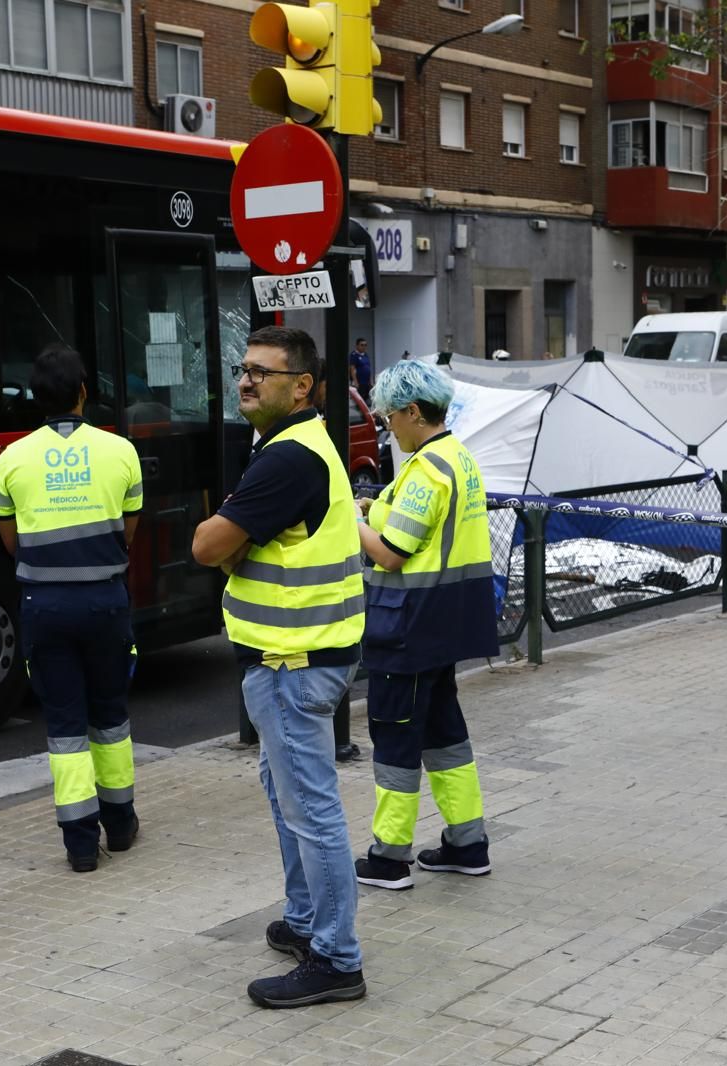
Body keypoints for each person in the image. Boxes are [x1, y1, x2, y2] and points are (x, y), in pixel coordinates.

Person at [191, 325, 367, 1009]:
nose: (245, 381)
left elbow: (209, 545)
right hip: (296, 658)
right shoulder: (292, 446)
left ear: (302, 387)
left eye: (261, 372)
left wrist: (229, 541)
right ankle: (304, 922)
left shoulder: (288, 458)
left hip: (293, 664)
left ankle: (336, 959)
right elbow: (233, 544)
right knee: (290, 798)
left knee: (311, 813)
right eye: (243, 368)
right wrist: (236, 542)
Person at [0, 345, 143, 872]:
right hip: (105, 602)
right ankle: (121, 826)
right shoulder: (120, 451)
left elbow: (11, 541)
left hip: (44, 605)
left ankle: (80, 845)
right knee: (111, 717)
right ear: (84, 391)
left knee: (64, 726)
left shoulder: (10, 459)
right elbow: (129, 532)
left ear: (35, 397)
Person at [352, 360, 499, 892]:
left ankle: (389, 857)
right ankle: (467, 843)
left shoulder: (425, 469)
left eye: (391, 416)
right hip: (446, 625)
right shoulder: (458, 458)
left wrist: (354, 521)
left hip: (407, 627)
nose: (387, 425)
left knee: (394, 738)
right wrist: (378, 505)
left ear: (414, 412)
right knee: (445, 736)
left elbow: (391, 555)